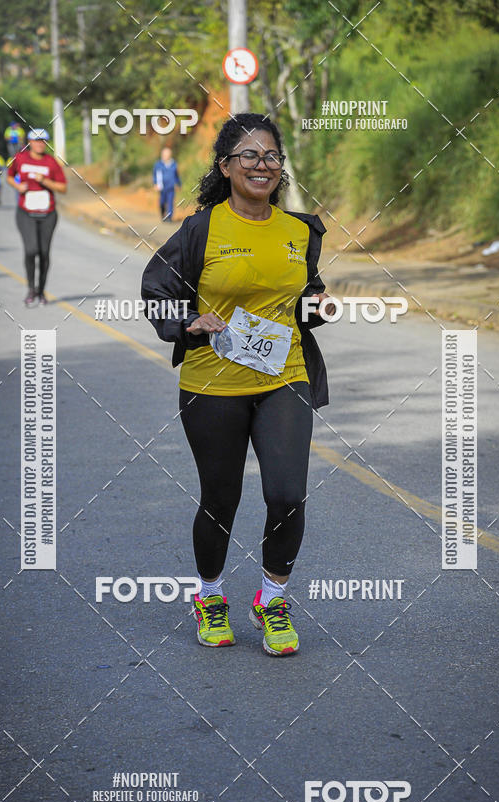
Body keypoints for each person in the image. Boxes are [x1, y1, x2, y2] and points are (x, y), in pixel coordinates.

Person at [141, 113, 331, 656]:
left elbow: (304, 297)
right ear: (226, 167)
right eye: (248, 155)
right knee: (221, 497)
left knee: (288, 494)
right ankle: (209, 595)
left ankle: (272, 599)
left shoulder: (301, 231)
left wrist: (316, 306)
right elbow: (156, 289)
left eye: (271, 156)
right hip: (213, 382)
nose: (262, 165)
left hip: (284, 375)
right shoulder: (201, 230)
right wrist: (187, 323)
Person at [6, 128, 67, 306]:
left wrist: (45, 181)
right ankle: (31, 289)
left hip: (48, 214)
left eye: (43, 141)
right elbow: (10, 176)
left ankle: (41, 291)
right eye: (36, 140)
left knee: (44, 253)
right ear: (30, 142)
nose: (40, 144)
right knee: (31, 250)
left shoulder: (51, 162)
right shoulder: (20, 158)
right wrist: (18, 187)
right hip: (26, 213)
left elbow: (63, 188)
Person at [152, 147, 181, 222]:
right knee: (162, 202)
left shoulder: (174, 164)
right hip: (162, 187)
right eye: (164, 155)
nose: (165, 156)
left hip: (171, 186)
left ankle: (169, 217)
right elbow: (155, 175)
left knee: (170, 202)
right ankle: (163, 214)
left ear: (170, 155)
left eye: (167, 155)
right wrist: (155, 184)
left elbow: (176, 175)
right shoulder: (158, 164)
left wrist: (178, 184)